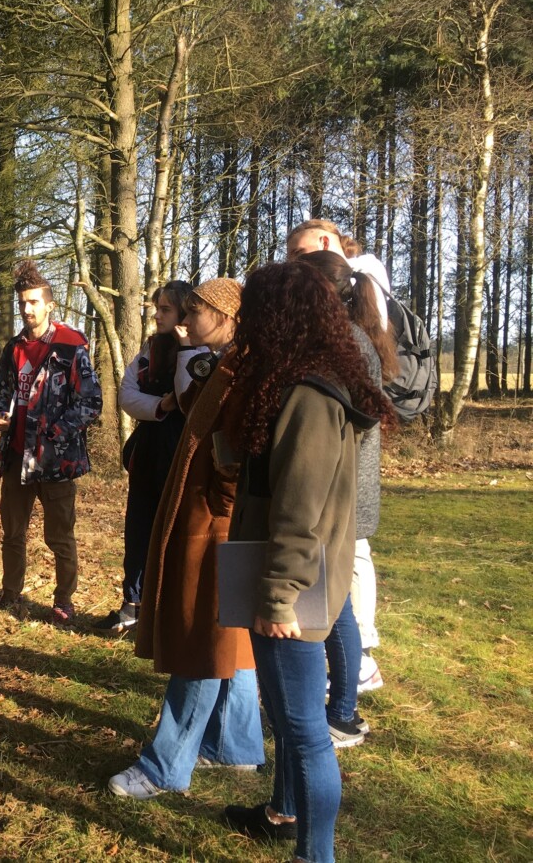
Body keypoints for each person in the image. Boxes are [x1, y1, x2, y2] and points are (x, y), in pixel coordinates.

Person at [222, 261, 391, 863]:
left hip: (294, 586)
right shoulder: (288, 383)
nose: (244, 324)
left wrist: (278, 598)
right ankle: (284, 811)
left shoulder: (310, 395)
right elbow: (229, 456)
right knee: (290, 718)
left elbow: (300, 510)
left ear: (280, 318)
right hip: (283, 574)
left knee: (306, 732)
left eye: (252, 314)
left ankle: (314, 855)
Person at [109, 278, 266, 800]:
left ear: (226, 316)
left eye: (194, 313)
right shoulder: (224, 362)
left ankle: (163, 767)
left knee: (203, 638)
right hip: (220, 518)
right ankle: (236, 745)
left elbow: (239, 448)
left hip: (218, 523)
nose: (183, 322)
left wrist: (221, 502)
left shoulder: (242, 369)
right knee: (229, 636)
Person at [297, 249, 399, 748]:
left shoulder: (346, 344)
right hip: (340, 486)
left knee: (334, 605)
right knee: (329, 602)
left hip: (341, 489)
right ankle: (338, 705)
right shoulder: (349, 339)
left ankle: (342, 711)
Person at [0, 261, 102, 623]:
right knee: (13, 535)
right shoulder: (13, 348)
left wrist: (54, 433)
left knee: (60, 538)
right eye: (23, 302)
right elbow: (2, 391)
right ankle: (10, 595)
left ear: (49, 305)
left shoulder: (70, 348)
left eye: (34, 302)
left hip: (56, 461)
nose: (27, 309)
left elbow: (90, 403)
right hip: (15, 458)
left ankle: (64, 601)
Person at [95, 279, 193, 633]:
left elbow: (188, 396)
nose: (158, 315)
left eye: (166, 309)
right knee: (138, 528)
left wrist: (184, 348)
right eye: (157, 308)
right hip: (149, 452)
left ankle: (168, 609)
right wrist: (159, 405)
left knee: (176, 531)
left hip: (181, 454)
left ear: (184, 311)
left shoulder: (199, 349)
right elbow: (126, 394)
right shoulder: (150, 350)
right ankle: (133, 604)